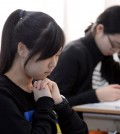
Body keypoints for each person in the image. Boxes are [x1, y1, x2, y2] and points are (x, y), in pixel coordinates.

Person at [0, 9, 88, 134]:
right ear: (22, 49)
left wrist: (60, 104)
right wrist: (45, 104)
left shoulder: (42, 88)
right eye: (48, 55)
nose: (53, 64)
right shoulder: (4, 94)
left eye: (57, 55)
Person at [50, 5, 120, 108]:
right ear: (99, 29)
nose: (116, 51)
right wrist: (96, 95)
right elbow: (55, 101)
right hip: (76, 121)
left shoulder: (105, 55)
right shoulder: (73, 53)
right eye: (115, 44)